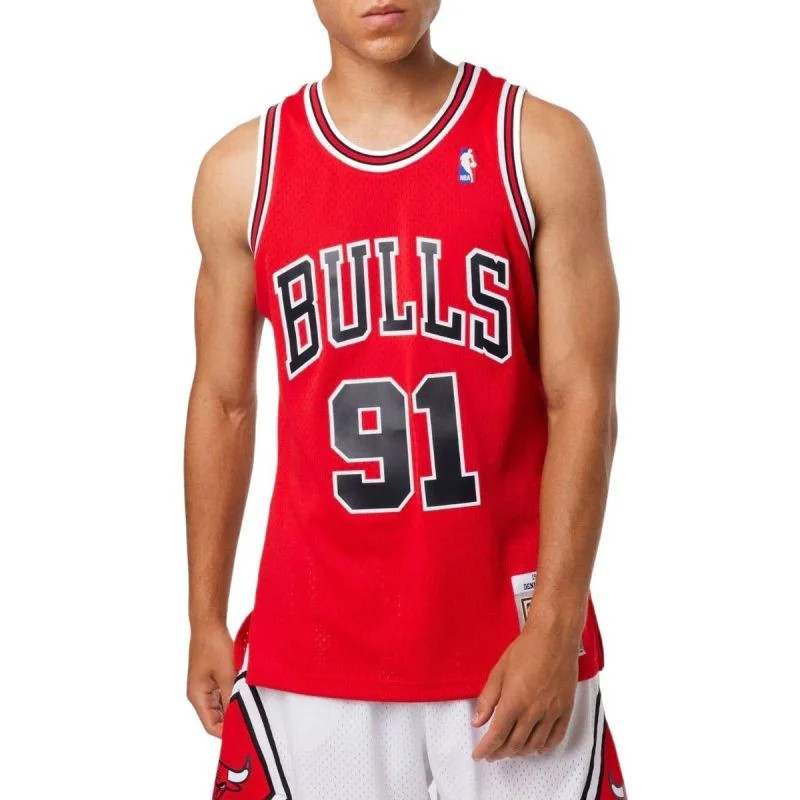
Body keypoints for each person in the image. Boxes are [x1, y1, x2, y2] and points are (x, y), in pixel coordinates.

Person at [185, 2, 625, 798]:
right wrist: (204, 616)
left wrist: (557, 627)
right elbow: (223, 402)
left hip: (510, 645)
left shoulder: (538, 144)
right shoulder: (243, 172)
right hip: (311, 645)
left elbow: (583, 400)